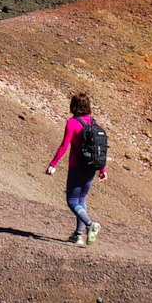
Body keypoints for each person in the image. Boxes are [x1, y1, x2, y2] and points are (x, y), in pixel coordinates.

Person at [44, 89, 110, 245]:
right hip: (92, 167)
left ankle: (90, 224)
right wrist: (103, 170)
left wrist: (53, 164)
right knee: (81, 199)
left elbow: (64, 146)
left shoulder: (72, 123)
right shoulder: (93, 123)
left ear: (73, 106)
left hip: (77, 167)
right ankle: (78, 235)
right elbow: (100, 148)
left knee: (72, 200)